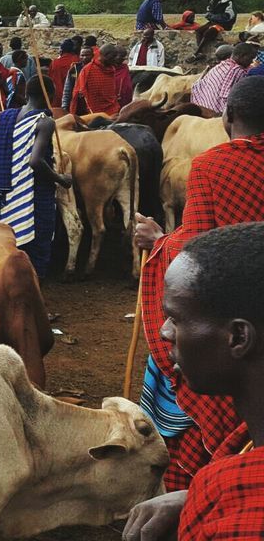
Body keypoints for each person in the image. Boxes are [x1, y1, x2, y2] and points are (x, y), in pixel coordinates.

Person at [128, 77, 264, 495]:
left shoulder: (211, 165)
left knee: (169, 365)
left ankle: (195, 481)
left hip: (228, 301)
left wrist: (158, 241)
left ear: (227, 118)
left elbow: (195, 248)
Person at [122, 223, 264, 541]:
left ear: (239, 337)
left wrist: (207, 497)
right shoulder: (245, 445)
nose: (164, 332)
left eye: (176, 318)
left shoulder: (242, 522)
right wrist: (191, 498)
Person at [0, 74, 73, 277]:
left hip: (8, 192)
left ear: (26, 93)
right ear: (50, 95)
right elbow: (35, 161)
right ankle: (33, 291)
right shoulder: (45, 122)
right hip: (34, 194)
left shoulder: (7, 116)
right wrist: (59, 178)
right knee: (38, 248)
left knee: (11, 247)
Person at [192, 42, 257, 116]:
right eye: (250, 58)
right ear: (242, 56)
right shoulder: (237, 71)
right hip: (217, 111)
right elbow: (233, 97)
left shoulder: (221, 66)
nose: (251, 61)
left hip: (202, 104)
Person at [70, 43, 126, 116]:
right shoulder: (88, 70)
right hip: (93, 113)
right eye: (113, 56)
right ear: (105, 55)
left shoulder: (111, 69)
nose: (115, 59)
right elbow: (81, 94)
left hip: (113, 109)